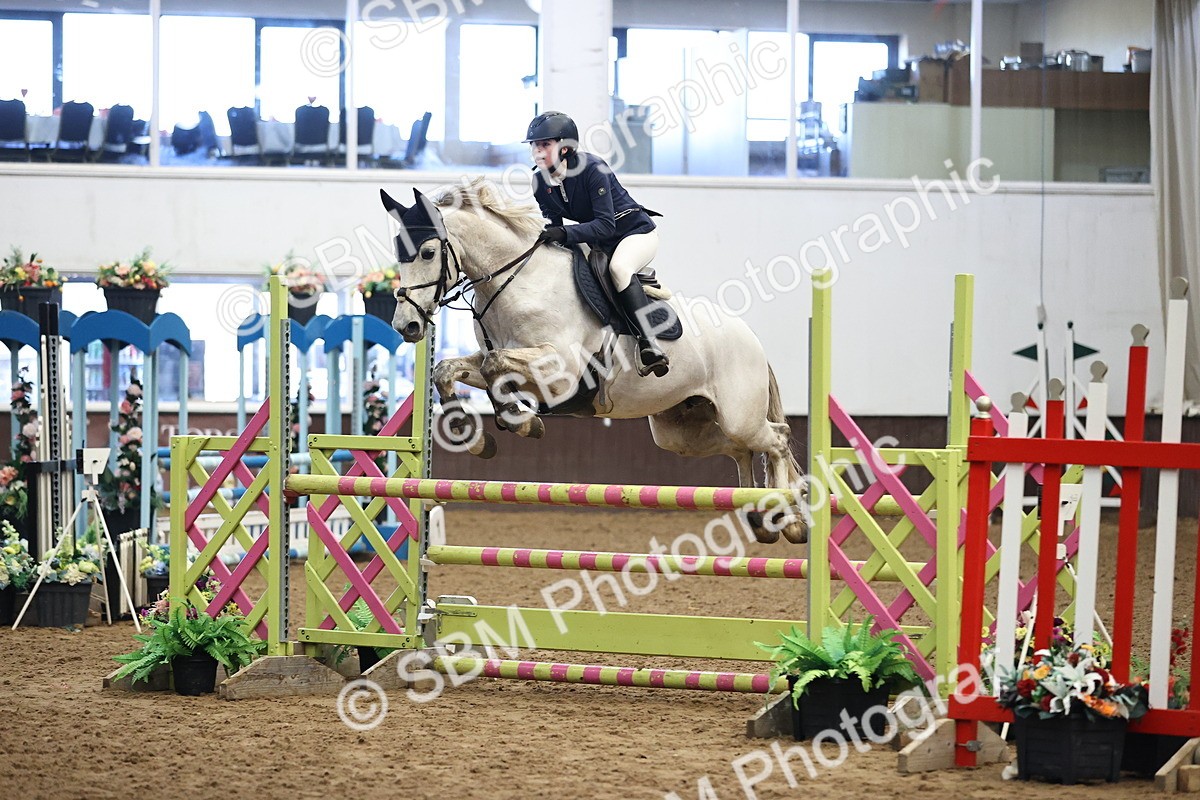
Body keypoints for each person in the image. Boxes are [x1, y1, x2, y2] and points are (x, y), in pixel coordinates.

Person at [525, 111, 669, 378]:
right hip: (597, 240)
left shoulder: (593, 169)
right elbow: (554, 226)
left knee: (620, 269)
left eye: (545, 144)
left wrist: (563, 233)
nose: (537, 151)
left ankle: (650, 344)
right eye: (534, 145)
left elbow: (606, 225)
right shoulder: (539, 181)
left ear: (565, 147)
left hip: (633, 233)